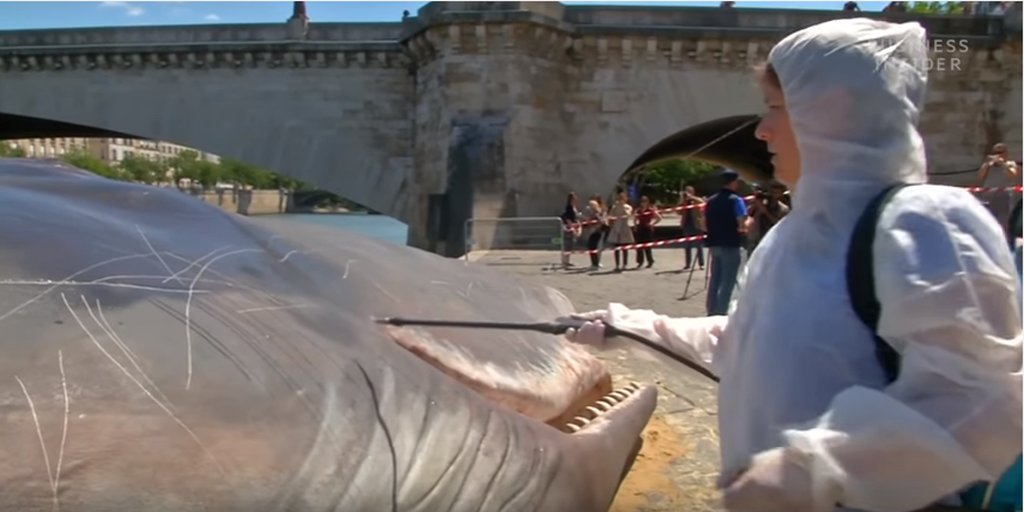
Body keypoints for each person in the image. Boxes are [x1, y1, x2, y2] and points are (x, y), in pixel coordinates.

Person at [566, 17, 1022, 512]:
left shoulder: (925, 221)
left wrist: (817, 468)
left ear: (831, 113)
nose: (761, 130)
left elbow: (982, 398)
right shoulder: (789, 235)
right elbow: (746, 341)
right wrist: (627, 327)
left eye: (774, 108)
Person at [703, 169, 749, 315]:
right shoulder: (736, 200)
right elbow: (741, 224)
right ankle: (721, 312)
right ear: (734, 182)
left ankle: (711, 310)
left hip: (714, 243)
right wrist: (748, 224)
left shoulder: (710, 201)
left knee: (715, 280)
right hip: (730, 243)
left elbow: (704, 224)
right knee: (728, 281)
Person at [606, 191, 635, 271]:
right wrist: (611, 225)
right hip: (616, 228)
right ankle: (617, 265)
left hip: (625, 228)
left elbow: (628, 215)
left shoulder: (628, 207)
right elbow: (610, 216)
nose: (621, 200)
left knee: (625, 248)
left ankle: (624, 264)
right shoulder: (614, 207)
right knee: (616, 248)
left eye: (623, 198)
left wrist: (622, 207)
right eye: (620, 198)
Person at [679, 185, 707, 270]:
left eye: (689, 191)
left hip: (696, 225)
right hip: (687, 225)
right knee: (687, 246)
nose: (687, 193)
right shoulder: (684, 201)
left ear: (693, 192)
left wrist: (692, 197)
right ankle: (688, 264)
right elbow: (678, 211)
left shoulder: (696, 200)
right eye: (686, 191)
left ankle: (701, 264)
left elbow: (702, 202)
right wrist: (681, 200)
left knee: (699, 245)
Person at [633, 195, 662, 268]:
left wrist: (652, 224)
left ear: (647, 202)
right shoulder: (638, 210)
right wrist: (635, 225)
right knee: (639, 246)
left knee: (647, 246)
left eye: (644, 201)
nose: (643, 203)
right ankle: (640, 261)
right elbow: (635, 218)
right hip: (640, 228)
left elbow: (659, 218)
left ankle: (650, 261)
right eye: (642, 202)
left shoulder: (650, 210)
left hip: (647, 229)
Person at [559, 192, 581, 269]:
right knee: (567, 245)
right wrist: (572, 227)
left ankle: (567, 261)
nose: (575, 200)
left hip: (574, 226)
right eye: (574, 199)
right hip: (569, 227)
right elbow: (568, 218)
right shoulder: (569, 207)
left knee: (571, 245)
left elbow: (575, 217)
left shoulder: (574, 207)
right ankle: (565, 262)